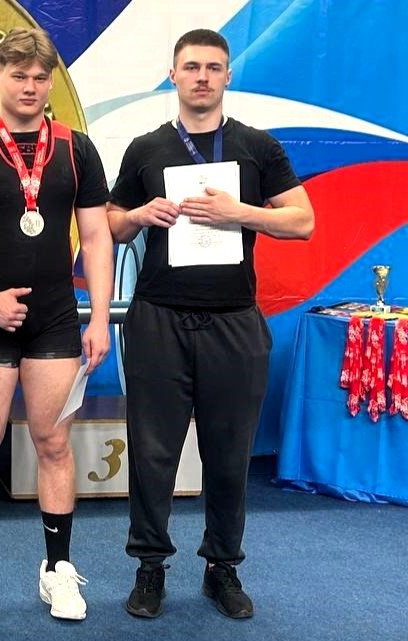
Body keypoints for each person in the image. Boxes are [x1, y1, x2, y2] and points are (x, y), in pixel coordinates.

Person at [107, 28, 314, 620]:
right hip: (158, 319)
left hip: (233, 322)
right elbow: (112, 224)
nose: (202, 77)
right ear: (173, 74)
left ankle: (222, 567)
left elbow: (302, 221)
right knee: (152, 453)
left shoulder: (256, 147)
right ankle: (150, 566)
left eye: (213, 67)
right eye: (192, 66)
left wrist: (239, 212)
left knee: (228, 454)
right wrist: (140, 214)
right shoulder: (146, 148)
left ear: (227, 76)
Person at [0, 28, 113, 624]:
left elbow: (96, 236)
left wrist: (100, 317)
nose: (29, 87)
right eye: (18, 75)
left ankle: (57, 569)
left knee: (53, 444)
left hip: (56, 321)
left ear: (50, 81)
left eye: (39, 77)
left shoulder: (77, 150)